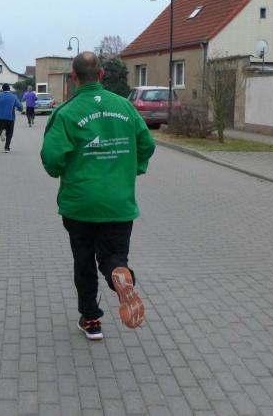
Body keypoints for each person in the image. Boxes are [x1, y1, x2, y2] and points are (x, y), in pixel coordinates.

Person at [40, 52, 155, 341]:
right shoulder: (125, 107)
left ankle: (91, 320)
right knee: (113, 256)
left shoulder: (66, 113)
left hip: (80, 204)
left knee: (84, 261)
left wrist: (63, 169)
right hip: (119, 203)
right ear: (101, 75)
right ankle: (120, 274)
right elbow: (147, 144)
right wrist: (131, 169)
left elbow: (51, 159)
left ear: (73, 77)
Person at [0, 83, 23, 153]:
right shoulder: (14, 96)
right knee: (9, 133)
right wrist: (19, 109)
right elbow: (20, 107)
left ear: (2, 89)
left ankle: (2, 132)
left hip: (0, 117)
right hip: (10, 118)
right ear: (9, 89)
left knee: (1, 128)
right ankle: (7, 148)